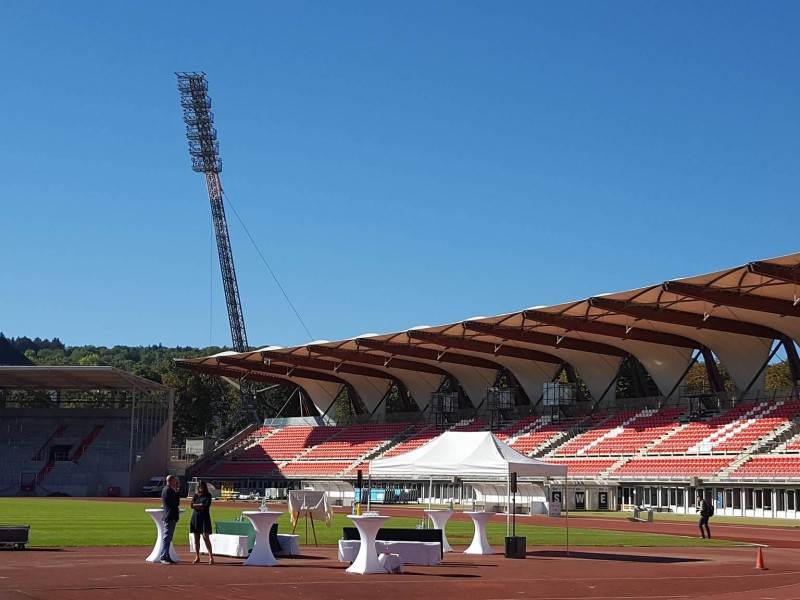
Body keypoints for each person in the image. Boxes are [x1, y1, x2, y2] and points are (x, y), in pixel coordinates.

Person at [190, 480, 215, 564]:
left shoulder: (208, 495)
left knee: (205, 537)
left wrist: (198, 505)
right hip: (196, 517)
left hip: (204, 518)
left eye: (202, 486)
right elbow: (191, 505)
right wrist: (200, 505)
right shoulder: (196, 495)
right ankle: (197, 556)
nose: (200, 488)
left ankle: (211, 557)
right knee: (196, 538)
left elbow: (206, 506)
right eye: (199, 487)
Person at [159, 475, 181, 563]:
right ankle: (163, 556)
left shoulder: (167, 490)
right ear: (172, 481)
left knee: (168, 537)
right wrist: (177, 492)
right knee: (167, 537)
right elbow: (175, 503)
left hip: (169, 515)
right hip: (170, 516)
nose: (176, 483)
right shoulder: (168, 490)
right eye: (175, 481)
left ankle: (166, 556)